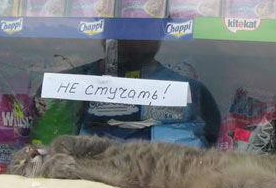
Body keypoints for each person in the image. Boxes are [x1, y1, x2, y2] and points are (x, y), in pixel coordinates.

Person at [78, 39, 221, 148]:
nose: (130, 39)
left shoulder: (190, 91)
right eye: (121, 29)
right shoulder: (77, 83)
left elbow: (213, 139)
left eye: (140, 30)